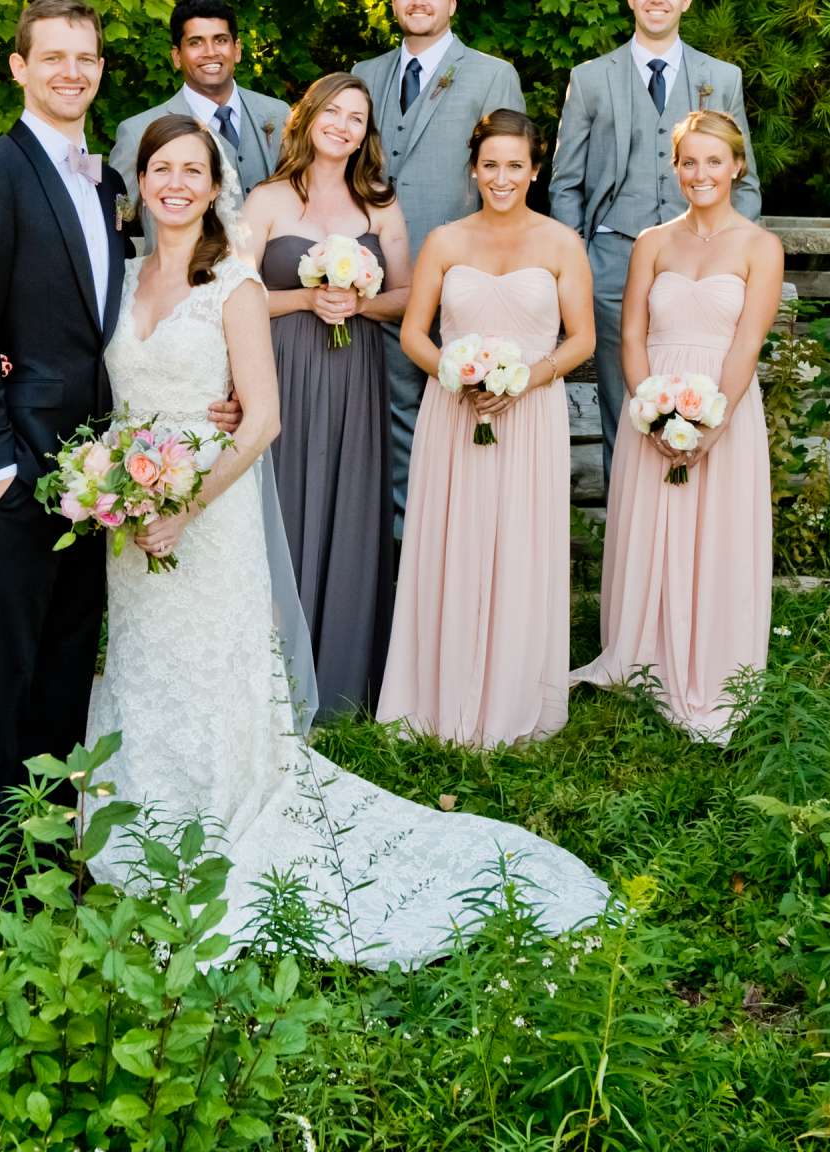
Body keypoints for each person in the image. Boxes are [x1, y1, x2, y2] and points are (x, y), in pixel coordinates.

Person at [87, 117, 608, 968]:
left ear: (215, 186)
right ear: (140, 181)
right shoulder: (119, 280)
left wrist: (187, 504)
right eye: (160, 169)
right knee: (145, 661)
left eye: (193, 170)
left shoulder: (237, 284)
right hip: (129, 516)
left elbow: (262, 420)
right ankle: (144, 804)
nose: (174, 183)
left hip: (206, 516)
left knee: (212, 663)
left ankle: (221, 807)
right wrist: (113, 481)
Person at [0, 0, 239, 904]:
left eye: (88, 58)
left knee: (67, 670)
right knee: (6, 676)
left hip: (97, 472)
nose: (73, 71)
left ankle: (46, 867)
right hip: (21, 471)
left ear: (103, 70)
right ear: (19, 67)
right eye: (54, 57)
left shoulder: (105, 181)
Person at [377, 111, 593, 747]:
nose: (502, 177)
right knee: (455, 539)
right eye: (491, 165)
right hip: (455, 410)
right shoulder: (445, 241)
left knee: (522, 544)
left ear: (535, 170)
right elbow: (415, 332)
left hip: (531, 414)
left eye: (515, 166)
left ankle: (516, 693)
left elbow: (581, 339)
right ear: (474, 169)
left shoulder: (561, 243)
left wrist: (526, 377)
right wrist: (454, 373)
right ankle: (439, 693)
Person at [571, 111, 781, 744]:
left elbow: (748, 344)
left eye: (713, 161)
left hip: (724, 407)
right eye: (689, 162)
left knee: (715, 536)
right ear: (676, 168)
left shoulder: (759, 247)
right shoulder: (652, 242)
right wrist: (649, 409)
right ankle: (640, 655)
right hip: (653, 410)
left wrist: (710, 426)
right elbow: (629, 334)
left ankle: (711, 664)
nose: (700, 173)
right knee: (650, 532)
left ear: (737, 167)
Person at [548, 0, 761, 477]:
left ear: (686, 0)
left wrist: (736, 255)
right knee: (625, 401)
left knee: (703, 390)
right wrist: (579, 265)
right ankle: (631, 524)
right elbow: (566, 182)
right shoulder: (592, 78)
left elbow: (746, 179)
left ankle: (695, 520)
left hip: (704, 270)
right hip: (613, 260)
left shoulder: (721, 77)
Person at [239, 73, 411, 717]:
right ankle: (271, 679)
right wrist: (308, 297)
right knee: (281, 506)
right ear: (308, 117)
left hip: (355, 375)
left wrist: (357, 301)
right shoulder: (268, 200)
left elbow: (405, 296)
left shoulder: (380, 204)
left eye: (357, 117)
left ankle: (341, 680)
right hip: (281, 370)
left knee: (349, 501)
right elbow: (238, 293)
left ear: (367, 133)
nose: (343, 124)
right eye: (332, 111)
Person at [347, 0, 526, 522]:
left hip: (460, 279)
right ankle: (396, 546)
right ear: (394, 2)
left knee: (463, 414)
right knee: (385, 415)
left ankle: (458, 537)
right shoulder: (364, 76)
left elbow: (507, 183)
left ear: (451, 2)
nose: (417, 1)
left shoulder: (492, 74)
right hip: (374, 283)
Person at [107, 0, 288, 239]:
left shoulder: (278, 115)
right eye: (196, 43)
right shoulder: (138, 132)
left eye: (220, 40)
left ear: (237, 50)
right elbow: (116, 224)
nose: (210, 52)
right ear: (176, 56)